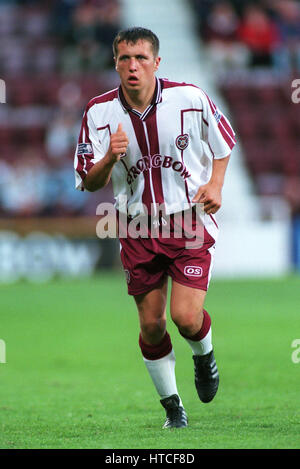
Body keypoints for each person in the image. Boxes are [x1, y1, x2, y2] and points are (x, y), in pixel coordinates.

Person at [74, 27, 236, 428]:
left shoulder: (190, 97)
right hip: (135, 227)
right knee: (151, 325)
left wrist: (215, 184)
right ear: (115, 62)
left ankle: (204, 356)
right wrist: (109, 159)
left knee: (185, 317)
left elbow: (224, 142)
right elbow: (88, 182)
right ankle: (173, 409)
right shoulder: (98, 112)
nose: (133, 66)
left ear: (156, 62)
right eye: (125, 58)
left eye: (141, 58)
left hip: (187, 222)